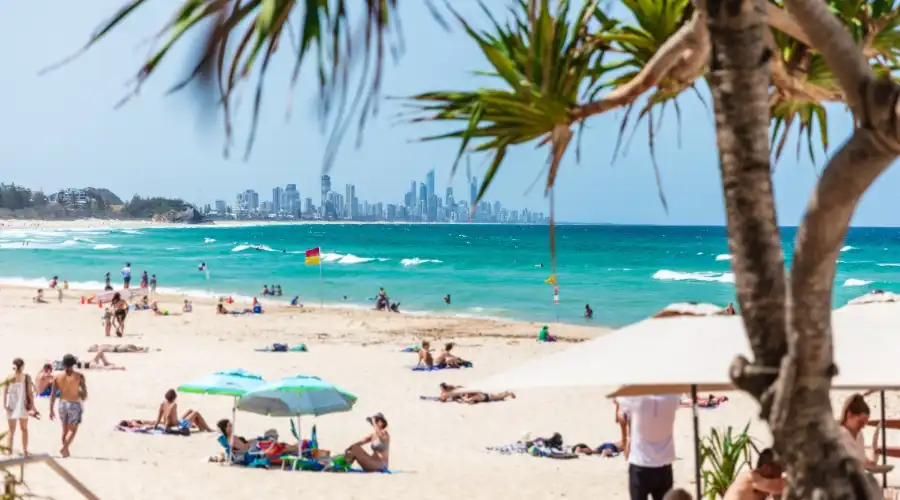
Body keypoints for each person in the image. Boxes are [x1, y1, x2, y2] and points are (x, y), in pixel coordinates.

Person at [617, 394, 681, 500]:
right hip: (664, 465)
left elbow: (621, 414)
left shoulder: (635, 396)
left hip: (640, 464)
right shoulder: (672, 396)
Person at [49, 354, 88, 457]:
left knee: (64, 430)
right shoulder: (79, 376)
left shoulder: (57, 377)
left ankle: (66, 452)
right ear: (73, 364)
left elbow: (52, 395)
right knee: (73, 430)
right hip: (74, 403)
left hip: (62, 403)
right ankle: (64, 448)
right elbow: (84, 393)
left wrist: (51, 409)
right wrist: (81, 396)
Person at [4, 358, 37, 456]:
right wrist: (33, 407)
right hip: (23, 406)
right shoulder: (27, 377)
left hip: (11, 406)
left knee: (11, 430)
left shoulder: (9, 377)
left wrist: (4, 406)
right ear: (22, 366)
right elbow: (30, 394)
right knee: (24, 429)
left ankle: (9, 451)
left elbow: (5, 392)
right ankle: (25, 450)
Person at [839, 393, 874, 465]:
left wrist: (868, 462)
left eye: (865, 423)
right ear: (849, 414)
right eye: (860, 422)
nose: (863, 426)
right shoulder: (837, 436)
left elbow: (861, 458)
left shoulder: (860, 435)